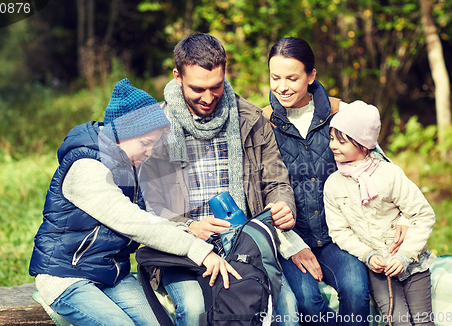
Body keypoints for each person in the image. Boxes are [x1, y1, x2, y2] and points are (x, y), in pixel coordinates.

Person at [29, 78, 240, 326]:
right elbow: (134, 222)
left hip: (111, 274)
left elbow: (150, 217)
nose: (149, 152)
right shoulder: (86, 168)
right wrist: (199, 251)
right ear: (122, 132)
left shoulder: (128, 165)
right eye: (145, 143)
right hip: (67, 276)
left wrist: (187, 228)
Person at [142, 33, 305, 326]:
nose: (207, 97)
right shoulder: (156, 131)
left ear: (225, 71)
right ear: (178, 77)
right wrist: (190, 227)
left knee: (288, 310)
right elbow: (149, 207)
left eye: (216, 87)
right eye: (197, 88)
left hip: (243, 245)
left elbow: (277, 181)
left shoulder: (251, 120)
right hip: (182, 251)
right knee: (194, 310)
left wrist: (283, 205)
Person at [264, 37, 409, 325]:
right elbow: (260, 191)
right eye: (275, 77)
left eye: (292, 78)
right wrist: (291, 245)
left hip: (340, 234)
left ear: (311, 75)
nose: (282, 86)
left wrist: (404, 214)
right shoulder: (263, 123)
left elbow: (378, 165)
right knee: (308, 302)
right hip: (290, 239)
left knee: (356, 291)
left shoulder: (340, 112)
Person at [324, 101, 436, 326]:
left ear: (364, 145)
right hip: (379, 271)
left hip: (412, 264)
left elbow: (422, 214)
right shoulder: (333, 185)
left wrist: (405, 254)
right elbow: (339, 232)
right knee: (399, 322)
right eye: (332, 138)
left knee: (424, 322)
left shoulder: (389, 174)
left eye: (341, 141)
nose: (333, 145)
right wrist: (366, 255)